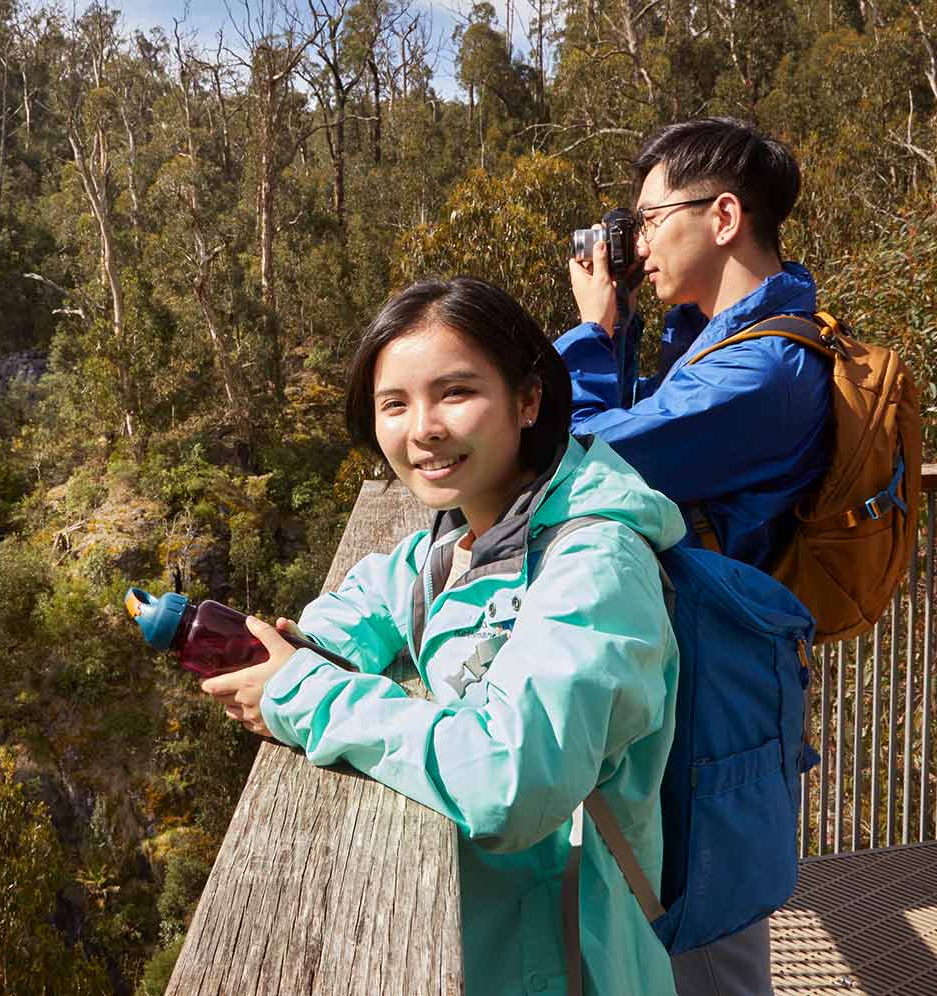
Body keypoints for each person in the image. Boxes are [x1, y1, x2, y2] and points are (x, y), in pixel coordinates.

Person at [199, 276, 687, 996]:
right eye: (394, 403)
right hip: (485, 948)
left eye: (455, 393)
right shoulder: (457, 536)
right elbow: (354, 610)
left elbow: (510, 779)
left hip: (570, 962)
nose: (422, 427)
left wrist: (307, 694)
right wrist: (300, 656)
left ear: (528, 400)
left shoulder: (596, 567)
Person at [556, 117, 829, 991]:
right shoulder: (720, 343)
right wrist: (629, 329)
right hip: (703, 676)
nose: (633, 244)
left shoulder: (763, 372)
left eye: (646, 220)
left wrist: (593, 335)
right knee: (681, 931)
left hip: (717, 696)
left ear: (721, 217)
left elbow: (584, 459)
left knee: (709, 945)